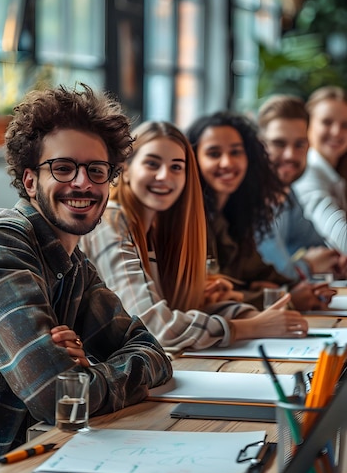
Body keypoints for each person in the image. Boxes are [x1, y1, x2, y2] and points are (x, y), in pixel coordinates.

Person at [0, 84, 172, 458]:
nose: (82, 183)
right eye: (62, 168)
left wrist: (90, 370)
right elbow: (59, 396)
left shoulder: (75, 263)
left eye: (96, 170)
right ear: (30, 181)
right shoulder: (3, 245)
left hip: (46, 454)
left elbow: (154, 351)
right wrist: (87, 374)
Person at [81, 120, 309, 356]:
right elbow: (154, 327)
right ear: (125, 169)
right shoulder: (110, 220)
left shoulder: (163, 228)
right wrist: (249, 327)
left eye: (176, 167)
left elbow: (184, 309)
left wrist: (247, 314)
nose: (164, 176)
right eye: (152, 163)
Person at [186, 111, 335, 310]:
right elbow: (208, 299)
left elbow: (257, 271)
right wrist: (286, 298)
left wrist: (299, 288)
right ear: (193, 159)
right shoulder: (190, 219)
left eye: (236, 152)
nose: (227, 162)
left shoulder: (234, 213)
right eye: (214, 154)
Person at [257, 94, 347, 280]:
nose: (290, 154)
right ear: (258, 145)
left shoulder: (287, 195)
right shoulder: (251, 198)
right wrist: (308, 266)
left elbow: (313, 241)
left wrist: (335, 259)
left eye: (299, 144)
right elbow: (275, 274)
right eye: (278, 144)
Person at [293, 86, 347, 253]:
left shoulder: (333, 175)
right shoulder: (307, 172)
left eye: (345, 125)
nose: (337, 132)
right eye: (327, 122)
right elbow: (341, 238)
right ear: (307, 126)